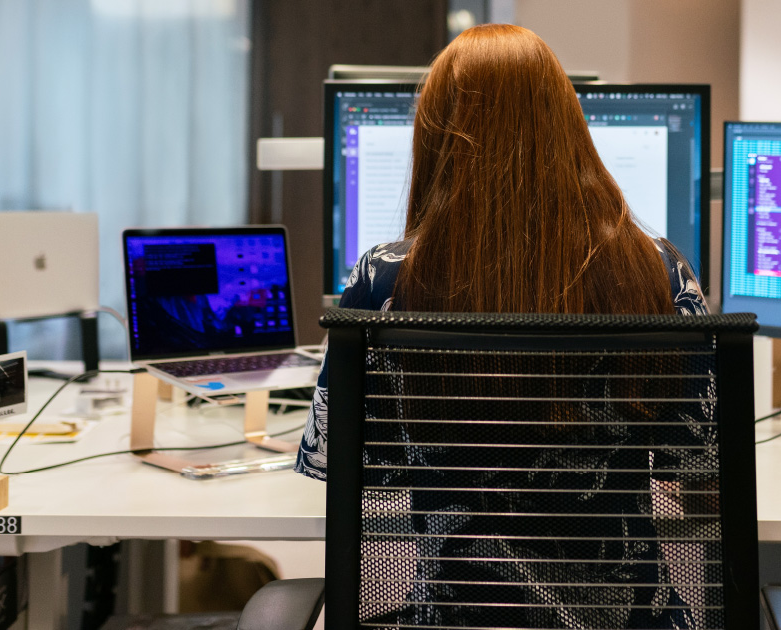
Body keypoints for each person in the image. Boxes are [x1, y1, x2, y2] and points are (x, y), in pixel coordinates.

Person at [293, 24, 711, 628]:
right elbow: (699, 466)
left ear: (434, 139)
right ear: (568, 127)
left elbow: (335, 459)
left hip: (458, 617)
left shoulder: (384, 280)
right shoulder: (657, 269)